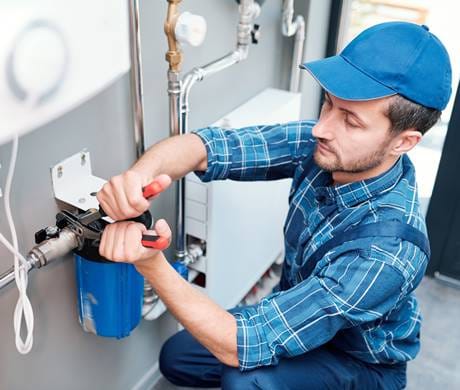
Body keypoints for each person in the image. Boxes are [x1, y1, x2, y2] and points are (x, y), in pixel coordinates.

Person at [96, 21, 451, 389]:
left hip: (359, 363)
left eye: (351, 121)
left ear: (403, 142)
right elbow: (206, 147)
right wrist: (136, 179)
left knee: (244, 378)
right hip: (304, 314)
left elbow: (239, 346)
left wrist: (151, 264)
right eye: (328, 104)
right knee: (178, 357)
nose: (321, 128)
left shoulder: (389, 252)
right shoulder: (327, 148)